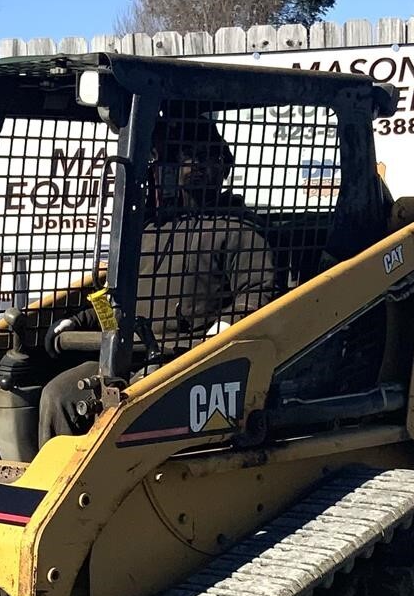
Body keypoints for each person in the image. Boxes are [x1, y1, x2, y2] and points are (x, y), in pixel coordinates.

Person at [38, 105, 280, 444]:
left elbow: (257, 292)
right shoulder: (149, 228)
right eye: (185, 156)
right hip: (124, 351)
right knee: (58, 395)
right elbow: (117, 296)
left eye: (204, 157)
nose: (194, 166)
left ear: (223, 167)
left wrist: (221, 332)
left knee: (133, 400)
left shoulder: (239, 228)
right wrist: (80, 323)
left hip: (185, 356)